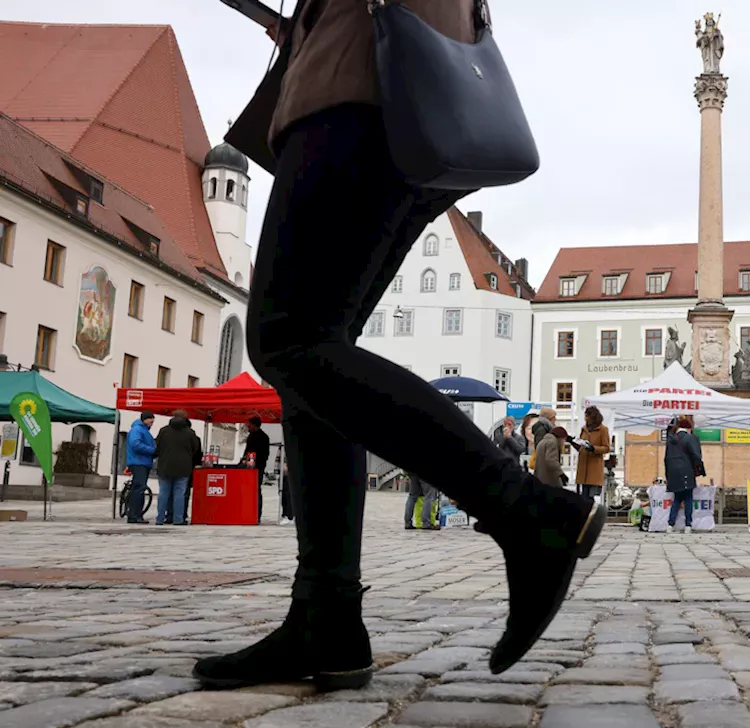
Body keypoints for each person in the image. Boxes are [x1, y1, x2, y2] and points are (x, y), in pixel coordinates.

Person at [194, 0, 605, 691]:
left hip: (361, 76)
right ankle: (326, 618)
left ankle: (529, 512)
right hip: (397, 70)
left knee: (287, 339)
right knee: (313, 355)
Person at [154, 410, 202, 526]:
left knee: (163, 493)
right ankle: (178, 519)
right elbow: (196, 449)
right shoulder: (190, 433)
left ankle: (160, 519)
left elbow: (157, 447)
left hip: (165, 466)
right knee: (179, 494)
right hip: (183, 467)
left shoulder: (164, 431)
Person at [664, 417, 705, 533]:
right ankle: (688, 525)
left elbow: (666, 459)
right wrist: (701, 469)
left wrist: (668, 475)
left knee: (677, 499)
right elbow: (696, 455)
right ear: (688, 428)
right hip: (687, 471)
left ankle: (670, 525)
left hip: (673, 474)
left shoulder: (670, 440)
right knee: (688, 499)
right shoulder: (689, 438)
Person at [572, 406, 611, 501]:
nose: (585, 418)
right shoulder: (584, 429)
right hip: (582, 466)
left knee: (589, 497)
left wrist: (594, 448)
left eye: (586, 415)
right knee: (581, 496)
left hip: (594, 468)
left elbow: (606, 448)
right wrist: (573, 442)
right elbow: (581, 447)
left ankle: (591, 514)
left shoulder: (603, 429)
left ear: (592, 417)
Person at [124, 412, 157, 524]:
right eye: (151, 421)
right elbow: (136, 445)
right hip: (139, 463)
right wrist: (153, 450)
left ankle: (136, 515)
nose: (152, 424)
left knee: (139, 489)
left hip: (142, 462)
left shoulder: (142, 430)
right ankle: (134, 515)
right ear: (145, 419)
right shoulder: (137, 430)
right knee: (139, 489)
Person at [243, 417, 272, 523]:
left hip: (257, 467)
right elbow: (247, 451)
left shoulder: (263, 437)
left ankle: (257, 514)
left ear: (254, 425)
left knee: (256, 490)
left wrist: (255, 463)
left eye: (249, 425)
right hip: (248, 467)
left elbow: (265, 455)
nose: (247, 427)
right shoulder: (251, 436)